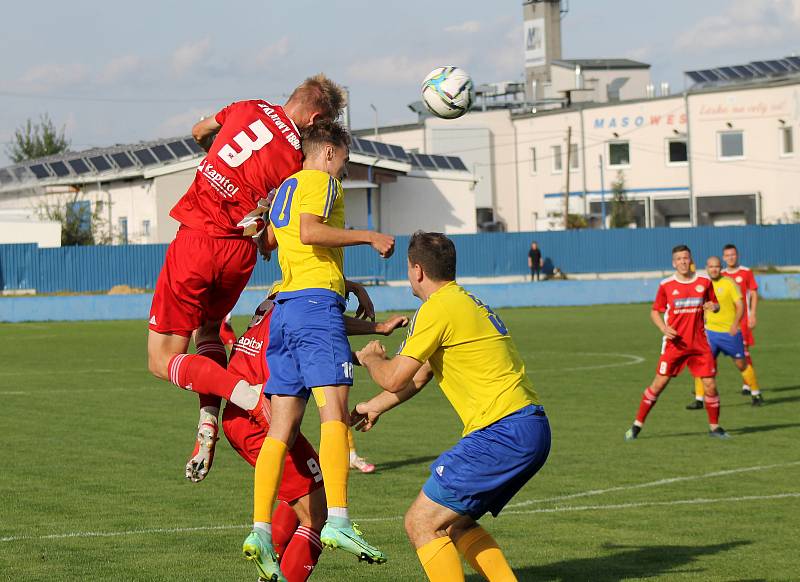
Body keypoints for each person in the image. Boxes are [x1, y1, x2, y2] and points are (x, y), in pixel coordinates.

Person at [146, 75, 347, 474]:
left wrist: (215, 150)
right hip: (239, 252)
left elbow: (200, 130)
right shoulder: (298, 163)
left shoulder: (248, 108)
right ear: (317, 116)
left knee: (160, 359)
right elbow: (272, 240)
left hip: (197, 239)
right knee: (209, 331)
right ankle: (207, 421)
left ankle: (248, 397)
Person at [244, 120, 396, 581]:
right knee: (334, 412)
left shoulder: (287, 186)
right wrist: (369, 236)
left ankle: (259, 531)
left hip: (287, 308)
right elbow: (311, 232)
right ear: (329, 152)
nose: (345, 171)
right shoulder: (321, 182)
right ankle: (341, 521)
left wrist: (345, 282)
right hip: (313, 305)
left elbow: (273, 241)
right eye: (345, 161)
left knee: (282, 428)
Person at [352, 231, 550, 582]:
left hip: (501, 431)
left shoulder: (436, 309)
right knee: (455, 523)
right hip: (528, 427)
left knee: (421, 522)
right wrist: (376, 406)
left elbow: (394, 377)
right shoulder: (466, 302)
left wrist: (371, 358)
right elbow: (421, 375)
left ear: (417, 270)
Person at [210, 285, 408, 581]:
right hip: (260, 419)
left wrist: (373, 331)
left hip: (241, 416)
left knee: (303, 489)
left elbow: (317, 337)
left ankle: (270, 563)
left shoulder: (277, 302)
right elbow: (321, 328)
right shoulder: (300, 306)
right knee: (317, 515)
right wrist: (372, 340)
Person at [624, 245, 729, 441]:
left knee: (710, 386)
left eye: (686, 258)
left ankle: (715, 427)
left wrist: (713, 306)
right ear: (674, 263)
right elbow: (655, 311)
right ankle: (636, 426)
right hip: (675, 345)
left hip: (699, 344)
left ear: (690, 261)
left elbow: (715, 304)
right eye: (679, 259)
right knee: (658, 384)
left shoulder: (704, 282)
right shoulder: (666, 285)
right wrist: (663, 328)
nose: (682, 261)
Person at [686, 256, 762, 410]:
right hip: (709, 334)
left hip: (729, 333)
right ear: (706, 267)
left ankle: (756, 393)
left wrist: (735, 324)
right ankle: (699, 399)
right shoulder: (702, 284)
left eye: (716, 266)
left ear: (720, 268)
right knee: (702, 365)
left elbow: (740, 306)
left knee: (741, 364)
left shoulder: (729, 283)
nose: (714, 269)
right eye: (711, 266)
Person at [722, 244, 764, 405]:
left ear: (737, 255)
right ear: (724, 257)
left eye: (733, 254)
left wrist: (753, 313)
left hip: (743, 320)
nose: (730, 257)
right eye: (727, 255)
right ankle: (703, 387)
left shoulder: (746, 272)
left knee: (744, 352)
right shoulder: (720, 274)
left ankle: (749, 384)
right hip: (724, 322)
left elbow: (753, 293)